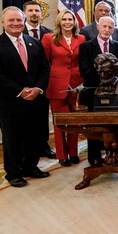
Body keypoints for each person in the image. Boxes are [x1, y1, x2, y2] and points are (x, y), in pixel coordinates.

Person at [0, 7, 51, 188]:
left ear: (24, 21)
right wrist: (20, 91)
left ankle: (30, 167)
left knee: (34, 137)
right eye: (11, 20)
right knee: (12, 140)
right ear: (3, 22)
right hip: (11, 102)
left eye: (19, 20)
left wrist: (37, 89)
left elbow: (45, 68)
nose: (16, 23)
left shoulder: (34, 42)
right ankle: (13, 173)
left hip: (35, 100)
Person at [78, 16, 118, 165]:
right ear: (98, 26)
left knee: (114, 127)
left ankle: (115, 155)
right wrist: (103, 83)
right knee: (94, 127)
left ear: (113, 29)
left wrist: (111, 84)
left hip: (114, 95)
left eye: (110, 27)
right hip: (93, 93)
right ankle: (94, 158)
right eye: (104, 26)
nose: (107, 30)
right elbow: (85, 70)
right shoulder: (86, 47)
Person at [41, 9, 85, 167]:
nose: (67, 22)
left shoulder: (81, 38)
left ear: (75, 22)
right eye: (64, 19)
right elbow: (44, 63)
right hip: (56, 85)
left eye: (70, 19)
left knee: (74, 121)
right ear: (59, 21)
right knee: (59, 122)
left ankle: (73, 153)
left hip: (76, 84)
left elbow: (82, 61)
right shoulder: (49, 38)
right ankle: (62, 155)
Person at [22, 0, 55, 159]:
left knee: (42, 118)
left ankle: (43, 146)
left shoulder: (50, 33)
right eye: (30, 10)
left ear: (41, 14)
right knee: (25, 120)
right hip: (23, 85)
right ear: (24, 14)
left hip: (43, 83)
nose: (34, 13)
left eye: (37, 10)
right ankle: (26, 150)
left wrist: (41, 84)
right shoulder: (17, 31)